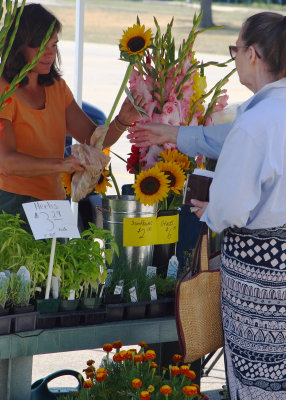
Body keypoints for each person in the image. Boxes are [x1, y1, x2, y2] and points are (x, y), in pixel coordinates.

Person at [129, 12, 286, 400]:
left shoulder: (257, 122)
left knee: (257, 378)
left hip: (260, 272)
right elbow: (227, 136)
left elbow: (231, 206)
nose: (233, 59)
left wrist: (210, 212)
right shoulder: (267, 114)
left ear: (252, 54)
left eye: (235, 50)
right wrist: (174, 133)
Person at [0, 3, 145, 222]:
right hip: (12, 205)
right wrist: (62, 164)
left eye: (54, 45)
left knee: (63, 258)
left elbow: (93, 139)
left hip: (54, 204)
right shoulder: (4, 90)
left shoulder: (57, 87)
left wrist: (121, 122)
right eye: (41, 46)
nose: (50, 54)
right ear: (19, 46)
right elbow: (7, 163)